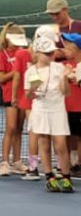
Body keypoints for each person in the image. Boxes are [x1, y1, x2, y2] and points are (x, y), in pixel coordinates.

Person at [24, 35, 72, 192]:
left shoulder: (59, 68)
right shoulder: (30, 72)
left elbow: (66, 93)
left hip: (57, 110)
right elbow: (28, 96)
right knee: (44, 143)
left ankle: (66, 177)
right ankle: (49, 176)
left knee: (61, 145)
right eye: (47, 53)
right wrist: (33, 88)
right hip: (40, 110)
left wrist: (64, 78)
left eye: (52, 52)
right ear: (38, 53)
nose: (51, 55)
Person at [0, 23, 31, 177]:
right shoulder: (1, 55)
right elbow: (2, 78)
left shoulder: (23, 52)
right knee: (10, 127)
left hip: (23, 95)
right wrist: (16, 71)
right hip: (10, 96)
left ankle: (17, 162)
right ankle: (4, 162)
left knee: (19, 129)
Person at [61, 32, 81, 174]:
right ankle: (67, 163)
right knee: (67, 136)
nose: (65, 50)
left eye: (69, 47)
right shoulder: (63, 65)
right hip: (65, 108)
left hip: (79, 108)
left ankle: (79, 163)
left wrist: (74, 77)